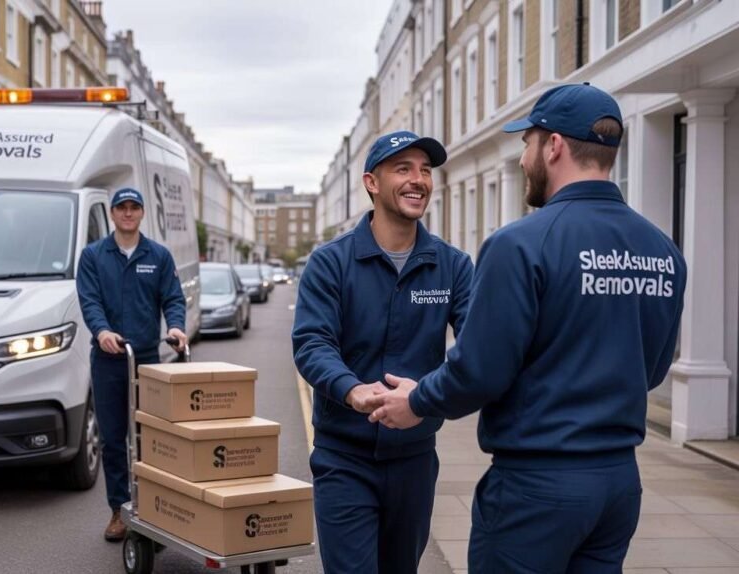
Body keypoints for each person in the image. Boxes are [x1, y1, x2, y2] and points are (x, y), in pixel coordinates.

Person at [365, 84, 687, 573]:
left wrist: (416, 402)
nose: (522, 161)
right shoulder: (663, 251)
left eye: (527, 144)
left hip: (537, 486)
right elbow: (653, 368)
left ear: (553, 146)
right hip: (618, 485)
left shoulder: (520, 244)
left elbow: (481, 369)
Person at [292, 131, 474, 573]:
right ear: (372, 182)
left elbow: (476, 349)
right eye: (404, 168)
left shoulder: (452, 265)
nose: (419, 180)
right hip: (344, 458)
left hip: (414, 458)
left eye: (426, 170)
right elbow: (312, 342)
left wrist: (426, 397)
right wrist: (352, 391)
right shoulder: (330, 262)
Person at [76, 187, 187, 541]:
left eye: (133, 207)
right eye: (121, 208)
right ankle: (119, 509)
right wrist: (102, 330)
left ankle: (155, 507)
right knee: (113, 439)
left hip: (147, 360)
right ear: (112, 214)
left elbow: (173, 297)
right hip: (109, 360)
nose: (127, 213)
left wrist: (175, 325)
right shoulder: (94, 256)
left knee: (149, 439)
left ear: (141, 214)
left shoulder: (158, 255)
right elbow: (89, 299)